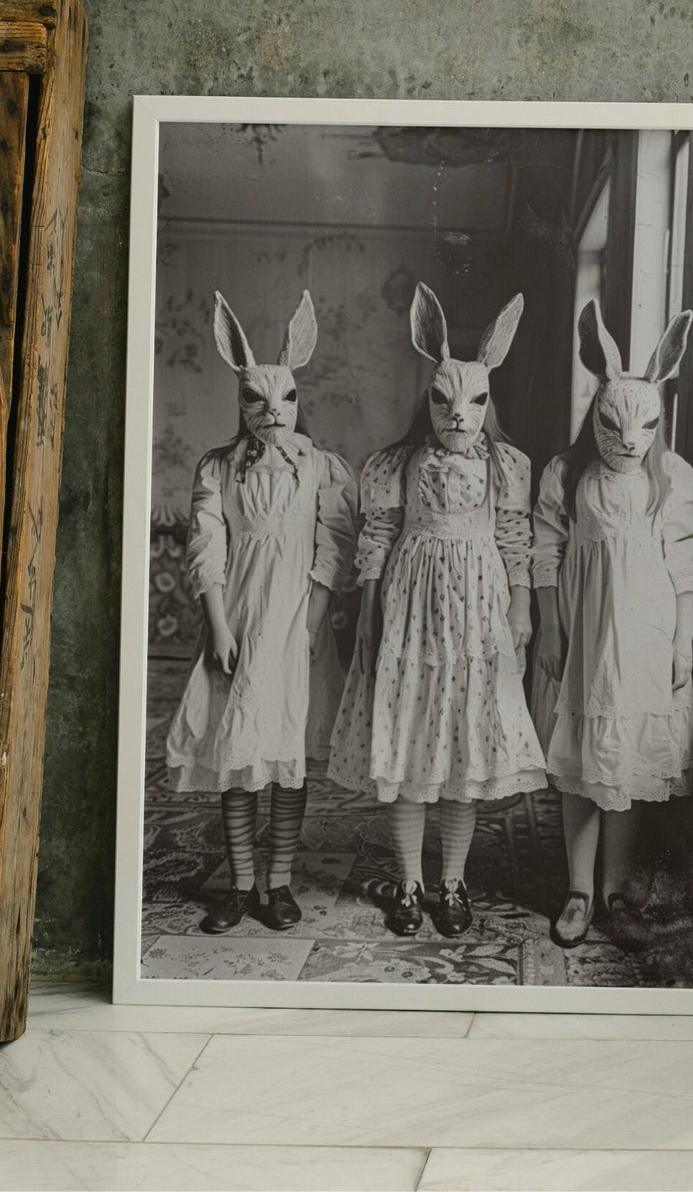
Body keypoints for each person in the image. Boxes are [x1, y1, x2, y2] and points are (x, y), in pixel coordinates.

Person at [329, 283, 545, 937]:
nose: (458, 414)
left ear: (488, 400)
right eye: (444, 399)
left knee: (461, 746)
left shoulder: (507, 465)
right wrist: (368, 611)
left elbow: (514, 541)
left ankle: (451, 882)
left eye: (473, 401)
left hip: (477, 610)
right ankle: (408, 882)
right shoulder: (396, 463)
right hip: (410, 605)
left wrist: (520, 609)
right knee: (411, 743)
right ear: (427, 397)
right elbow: (377, 535)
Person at [164, 289, 356, 933]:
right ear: (241, 402)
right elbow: (206, 547)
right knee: (240, 753)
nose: (273, 413)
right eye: (257, 400)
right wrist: (218, 624)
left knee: (288, 750)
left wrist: (312, 624)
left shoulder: (321, 468)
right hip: (240, 622)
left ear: (299, 400)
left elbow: (333, 546)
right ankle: (240, 884)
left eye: (285, 400)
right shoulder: (218, 470)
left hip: (296, 625)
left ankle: (279, 883)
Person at [531, 299, 693, 948]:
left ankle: (615, 891)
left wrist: (683, 640)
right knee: (582, 762)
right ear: (595, 414)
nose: (628, 441)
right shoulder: (566, 474)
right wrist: (549, 626)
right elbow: (544, 551)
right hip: (584, 637)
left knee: (625, 766)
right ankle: (577, 889)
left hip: (645, 638)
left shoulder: (671, 476)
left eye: (643, 428)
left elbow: (685, 560)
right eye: (612, 426)